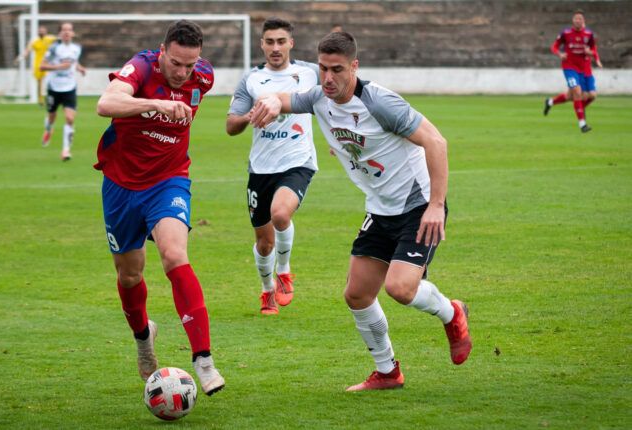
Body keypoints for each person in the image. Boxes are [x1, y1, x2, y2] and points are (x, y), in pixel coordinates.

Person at [251, 31, 472, 391]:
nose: (327, 78)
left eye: (337, 69)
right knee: (356, 294)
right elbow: (286, 99)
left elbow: (436, 141)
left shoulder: (381, 103)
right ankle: (387, 372)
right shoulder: (320, 97)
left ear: (354, 66)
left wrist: (435, 205)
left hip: (418, 205)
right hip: (380, 209)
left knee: (400, 288)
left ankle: (453, 313)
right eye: (322, 68)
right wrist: (275, 103)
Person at [94, 20, 225, 396]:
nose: (184, 73)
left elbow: (193, 81)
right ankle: (142, 338)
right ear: (162, 51)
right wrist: (154, 103)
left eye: (191, 64)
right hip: (120, 185)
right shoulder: (143, 67)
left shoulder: (203, 78)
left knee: (173, 254)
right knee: (130, 275)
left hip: (168, 181)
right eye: (177, 63)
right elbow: (106, 103)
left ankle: (204, 361)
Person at [226, 18, 319, 315]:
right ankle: (267, 291)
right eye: (270, 42)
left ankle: (285, 272)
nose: (275, 48)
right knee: (264, 243)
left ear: (291, 43)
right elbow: (231, 125)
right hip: (260, 168)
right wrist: (249, 116)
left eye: (281, 41)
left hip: (298, 162)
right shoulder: (251, 80)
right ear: (262, 44)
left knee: (281, 214)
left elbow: (338, 98)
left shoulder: (309, 74)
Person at [543, 9, 602, 133]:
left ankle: (550, 102)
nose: (578, 20)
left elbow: (593, 49)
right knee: (577, 91)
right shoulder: (566, 33)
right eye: (576, 18)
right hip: (569, 67)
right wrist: (560, 54)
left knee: (587, 95)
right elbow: (554, 46)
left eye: (580, 18)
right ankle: (582, 124)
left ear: (583, 21)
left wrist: (595, 57)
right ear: (573, 20)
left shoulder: (588, 34)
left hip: (583, 69)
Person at [40, 22, 86, 161]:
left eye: (69, 30)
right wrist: (60, 67)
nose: (67, 32)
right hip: (54, 88)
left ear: (73, 33)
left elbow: (74, 62)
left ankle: (66, 150)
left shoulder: (77, 48)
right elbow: (42, 66)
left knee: (70, 118)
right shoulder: (54, 48)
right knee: (51, 116)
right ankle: (48, 129)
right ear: (60, 33)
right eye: (64, 30)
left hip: (70, 88)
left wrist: (80, 68)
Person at [14, 25, 56, 106]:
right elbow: (27, 51)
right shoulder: (34, 41)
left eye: (43, 31)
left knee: (50, 82)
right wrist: (19, 58)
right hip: (38, 64)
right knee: (39, 82)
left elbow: (59, 41)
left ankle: (51, 98)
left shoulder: (50, 39)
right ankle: (40, 99)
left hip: (49, 64)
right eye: (40, 31)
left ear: (46, 32)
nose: (41, 32)